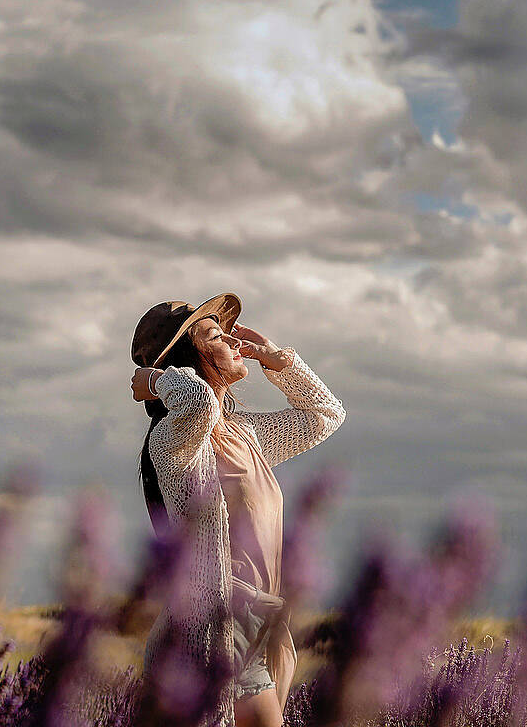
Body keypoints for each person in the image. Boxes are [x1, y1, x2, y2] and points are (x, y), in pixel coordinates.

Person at [129, 293, 345, 727]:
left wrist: (278, 361)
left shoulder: (245, 435)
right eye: (214, 335)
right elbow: (198, 404)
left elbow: (325, 415)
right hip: (213, 631)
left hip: (254, 627)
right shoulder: (176, 444)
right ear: (186, 361)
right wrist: (153, 382)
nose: (232, 340)